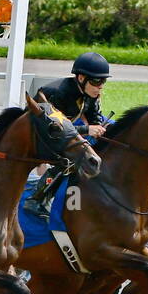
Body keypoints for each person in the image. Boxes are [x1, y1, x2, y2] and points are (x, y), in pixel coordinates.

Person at [22, 51, 112, 222]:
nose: (100, 86)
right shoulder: (60, 93)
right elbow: (55, 132)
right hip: (36, 136)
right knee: (68, 161)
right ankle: (37, 199)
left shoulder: (91, 95)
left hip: (56, 136)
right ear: (80, 78)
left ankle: (81, 202)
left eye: (103, 81)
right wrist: (87, 130)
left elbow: (95, 119)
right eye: (96, 81)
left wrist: (99, 127)